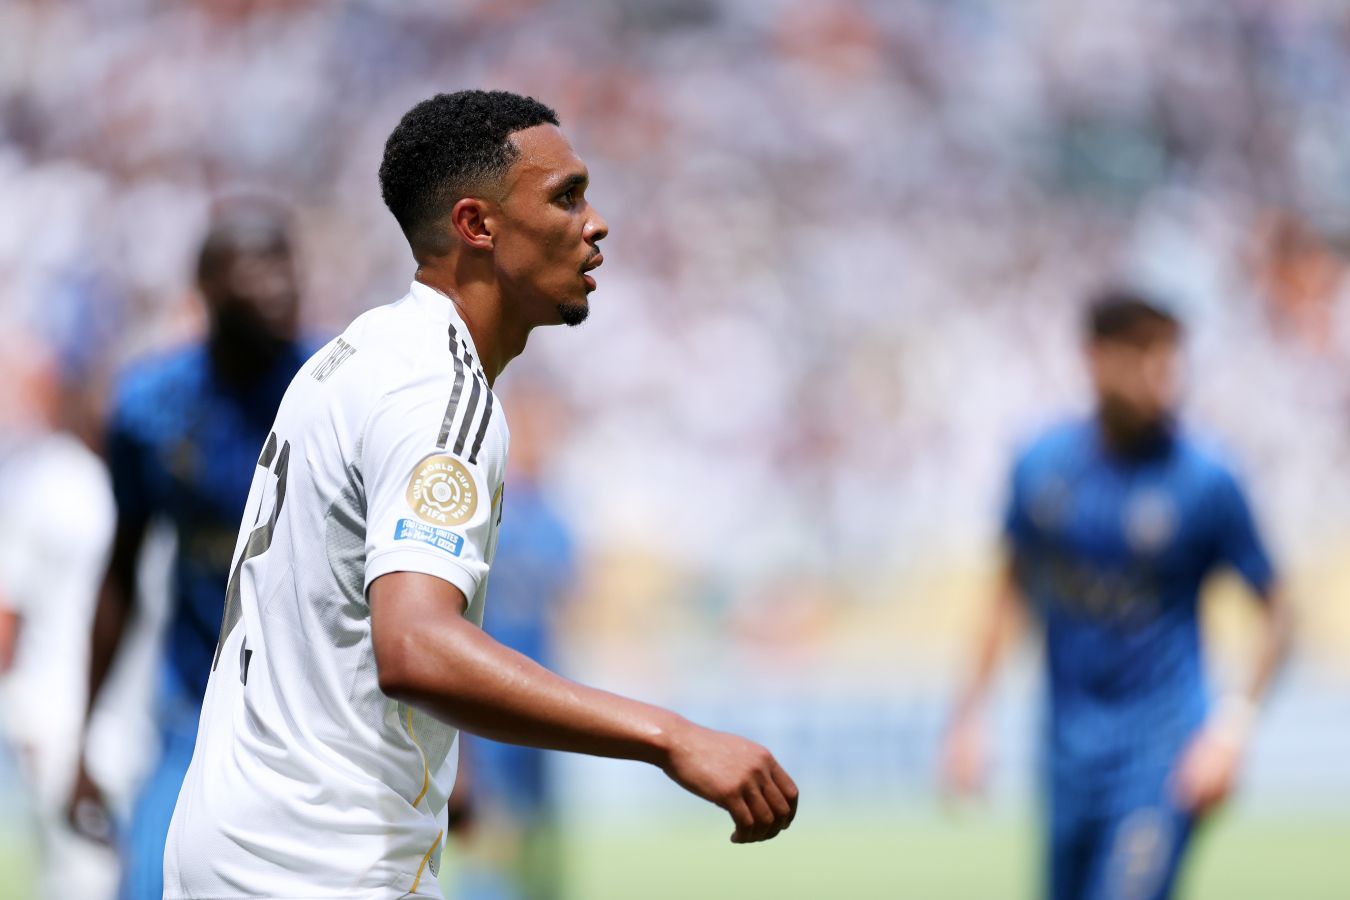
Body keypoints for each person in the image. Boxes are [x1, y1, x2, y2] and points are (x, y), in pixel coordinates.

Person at [164, 90, 798, 899]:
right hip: (321, 862)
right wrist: (668, 735)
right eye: (566, 197)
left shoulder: (356, 355)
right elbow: (415, 645)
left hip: (233, 842)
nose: (596, 224)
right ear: (477, 225)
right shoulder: (440, 393)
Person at [940, 289, 1291, 900]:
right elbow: (1009, 593)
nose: (1161, 376)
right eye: (1143, 356)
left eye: (1169, 359)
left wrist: (1231, 731)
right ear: (1096, 359)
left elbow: (1280, 613)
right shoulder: (1041, 466)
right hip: (1068, 755)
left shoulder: (1206, 479)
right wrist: (969, 719)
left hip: (1162, 754)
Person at [66, 196, 312, 900]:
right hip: (197, 711)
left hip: (318, 717)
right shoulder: (148, 407)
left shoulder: (335, 385)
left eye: (285, 264)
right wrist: (83, 737)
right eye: (253, 266)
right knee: (150, 880)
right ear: (205, 287)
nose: (277, 283)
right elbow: (120, 570)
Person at [0, 332, 120, 900]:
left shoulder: (118, 484)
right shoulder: (53, 480)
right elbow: (8, 610)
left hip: (108, 720)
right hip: (55, 715)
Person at [454, 383, 576, 900]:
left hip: (546, 694)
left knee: (539, 827)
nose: (541, 441)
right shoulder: (483, 506)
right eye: (532, 428)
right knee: (494, 824)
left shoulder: (554, 515)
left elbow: (567, 601)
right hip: (491, 693)